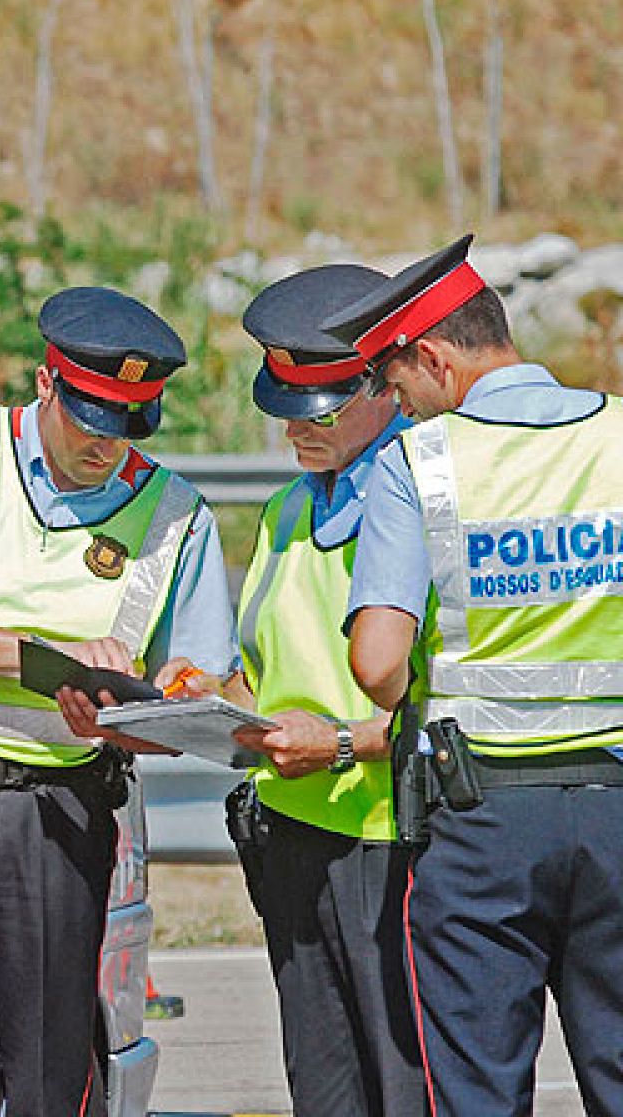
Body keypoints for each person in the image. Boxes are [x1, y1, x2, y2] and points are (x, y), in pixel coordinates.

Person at [0, 287, 240, 1117]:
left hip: (56, 808)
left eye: (128, 425)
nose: (106, 445)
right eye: (91, 420)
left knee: (50, 1077)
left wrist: (144, 711)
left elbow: (198, 695)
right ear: (46, 383)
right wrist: (50, 665)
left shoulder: (177, 515)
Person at [325, 234, 623, 1115]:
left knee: (477, 1089)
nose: (397, 406)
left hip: (482, 817)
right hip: (617, 801)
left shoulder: (419, 463)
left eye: (393, 382)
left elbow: (378, 662)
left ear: (435, 357)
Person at [229, 265, 425, 1116]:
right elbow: (261, 671)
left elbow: (448, 699)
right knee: (323, 1088)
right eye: (288, 411)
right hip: (293, 836)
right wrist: (187, 700)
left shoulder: (425, 502)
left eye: (321, 411)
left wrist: (341, 743)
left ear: (382, 386)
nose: (295, 431)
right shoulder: (285, 511)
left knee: (406, 1087)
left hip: (394, 841)